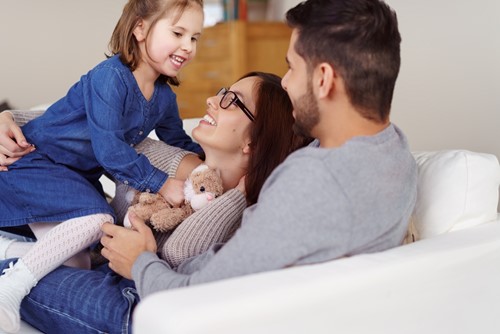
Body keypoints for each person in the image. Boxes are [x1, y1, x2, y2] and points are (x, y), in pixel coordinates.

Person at [1, 0, 418, 332]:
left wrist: (141, 261)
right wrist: (13, 120)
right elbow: (115, 133)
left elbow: (199, 291)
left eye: (291, 67)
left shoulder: (311, 181)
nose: (287, 84)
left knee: (28, 269)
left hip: (157, 305)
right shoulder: (393, 152)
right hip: (157, 281)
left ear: (324, 79)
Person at [0, 70, 311, 333]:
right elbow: (102, 131)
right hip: (104, 252)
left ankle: (13, 258)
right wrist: (12, 118)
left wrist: (237, 196)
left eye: (232, 101)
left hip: (142, 289)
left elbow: (178, 253)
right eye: (222, 92)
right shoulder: (180, 161)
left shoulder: (245, 208)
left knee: (53, 274)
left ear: (253, 141)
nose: (212, 100)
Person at [0, 0, 206, 332]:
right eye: (178, 32)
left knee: (77, 263)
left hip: (71, 177)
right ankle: (8, 289)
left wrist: (209, 164)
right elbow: (110, 149)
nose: (188, 46)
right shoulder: (110, 78)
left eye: (195, 37)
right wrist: (161, 183)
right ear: (140, 29)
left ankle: (8, 250)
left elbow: (176, 141)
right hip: (36, 162)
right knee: (98, 219)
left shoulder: (164, 96)